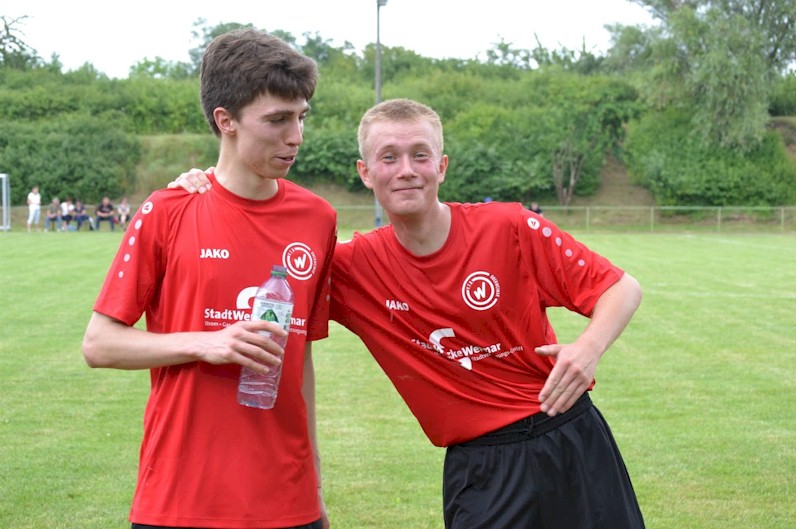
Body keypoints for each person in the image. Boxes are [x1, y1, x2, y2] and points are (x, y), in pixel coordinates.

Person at [174, 99, 645, 529]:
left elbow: (621, 288)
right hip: (480, 468)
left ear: (441, 167)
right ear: (365, 172)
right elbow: (259, 261)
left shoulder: (508, 226)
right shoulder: (349, 267)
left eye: (420, 155)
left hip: (571, 436)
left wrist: (589, 347)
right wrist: (210, 185)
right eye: (388, 157)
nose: (406, 170)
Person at [82, 29, 335, 529]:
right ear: (227, 122)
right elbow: (99, 345)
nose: (296, 137)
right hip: (181, 500)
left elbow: (299, 357)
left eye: (301, 117)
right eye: (278, 120)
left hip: (288, 503)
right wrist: (208, 343)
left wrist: (316, 489)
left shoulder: (318, 218)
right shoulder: (169, 210)